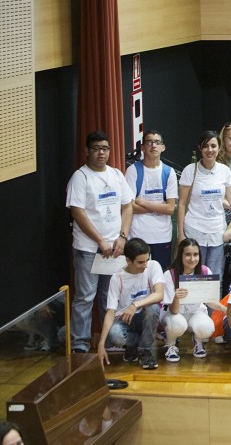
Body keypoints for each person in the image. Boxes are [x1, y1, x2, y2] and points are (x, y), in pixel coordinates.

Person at [67, 131, 135, 353]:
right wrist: (100, 241)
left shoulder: (116, 174)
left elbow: (128, 206)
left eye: (105, 148)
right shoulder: (81, 177)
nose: (101, 153)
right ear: (87, 151)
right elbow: (78, 212)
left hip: (114, 249)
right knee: (85, 297)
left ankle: (108, 341)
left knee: (109, 296)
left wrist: (122, 237)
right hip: (88, 249)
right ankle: (79, 344)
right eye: (96, 149)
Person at [177, 131, 231, 277]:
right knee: (193, 276)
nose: (209, 150)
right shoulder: (190, 170)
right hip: (194, 231)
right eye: (205, 146)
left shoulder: (224, 171)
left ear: (219, 148)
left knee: (215, 277)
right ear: (200, 148)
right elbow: (181, 204)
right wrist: (180, 234)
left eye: (213, 146)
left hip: (217, 232)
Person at [97, 238, 164, 370]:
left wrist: (135, 305)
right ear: (128, 260)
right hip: (125, 320)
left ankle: (145, 350)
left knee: (153, 308)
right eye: (140, 262)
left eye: (147, 260)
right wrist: (101, 344)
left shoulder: (154, 266)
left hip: (143, 317)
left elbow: (159, 294)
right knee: (115, 333)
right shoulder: (117, 278)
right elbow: (110, 312)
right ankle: (133, 346)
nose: (145, 265)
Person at [125, 130, 177, 269]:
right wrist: (160, 207)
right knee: (137, 276)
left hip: (162, 236)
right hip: (138, 236)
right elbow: (130, 207)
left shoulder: (169, 172)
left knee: (162, 275)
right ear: (142, 147)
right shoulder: (133, 170)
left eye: (157, 142)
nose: (153, 146)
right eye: (149, 142)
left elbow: (170, 209)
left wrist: (143, 202)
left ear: (163, 147)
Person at [162, 238, 220, 362]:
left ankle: (198, 340)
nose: (192, 259)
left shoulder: (205, 271)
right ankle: (170, 344)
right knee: (177, 324)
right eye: (188, 254)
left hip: (196, 312)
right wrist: (176, 297)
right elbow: (173, 310)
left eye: (195, 254)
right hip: (174, 314)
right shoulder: (169, 274)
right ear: (180, 255)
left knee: (207, 328)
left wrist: (225, 309)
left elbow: (209, 300)